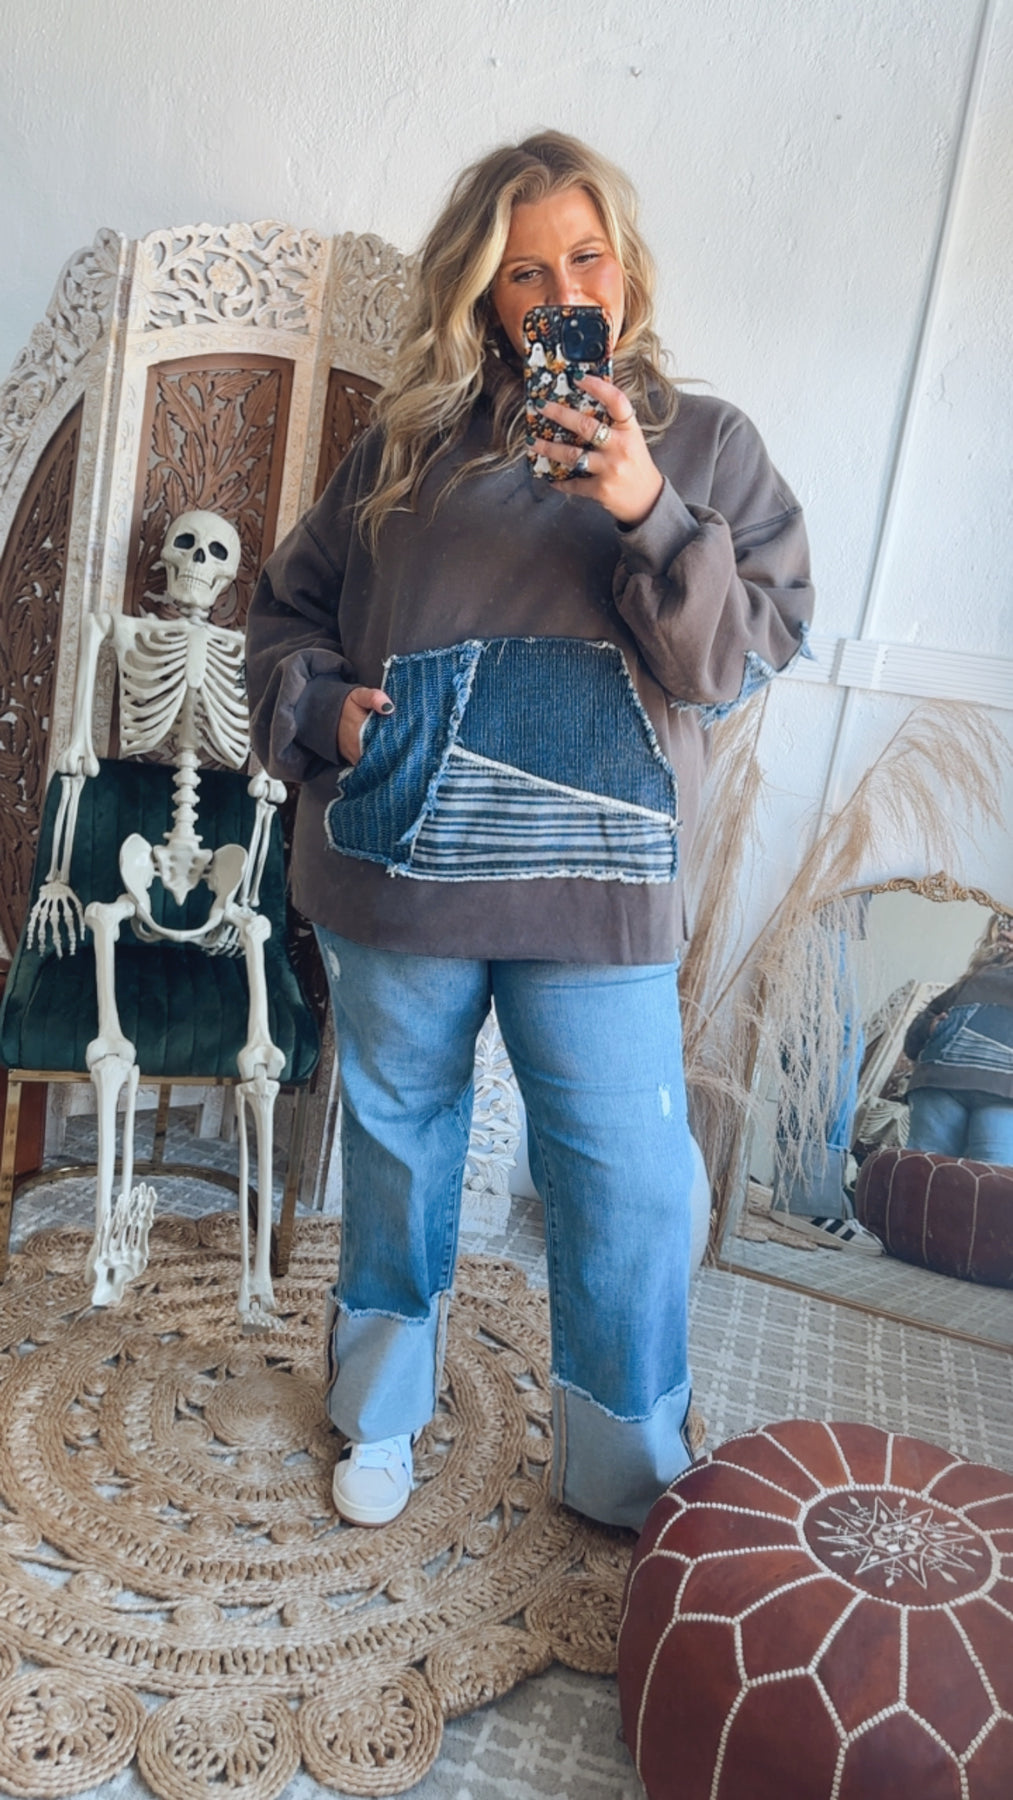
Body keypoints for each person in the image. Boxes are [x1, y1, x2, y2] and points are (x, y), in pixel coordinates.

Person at [245, 131, 814, 1532]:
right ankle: (381, 1412)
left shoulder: (707, 446)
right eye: (524, 272)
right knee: (397, 1150)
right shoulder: (406, 441)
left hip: (597, 890)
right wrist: (329, 717)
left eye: (585, 257)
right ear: (484, 296)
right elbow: (286, 613)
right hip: (404, 871)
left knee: (626, 1179)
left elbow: (735, 661)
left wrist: (648, 509)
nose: (562, 291)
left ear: (623, 267)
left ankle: (622, 1465)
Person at [903, 912, 1013, 1164]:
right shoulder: (972, 979)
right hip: (941, 1080)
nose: (1005, 932)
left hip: (1004, 1090)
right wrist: (931, 1027)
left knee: (993, 1178)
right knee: (925, 1171)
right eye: (1005, 924)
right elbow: (914, 1040)